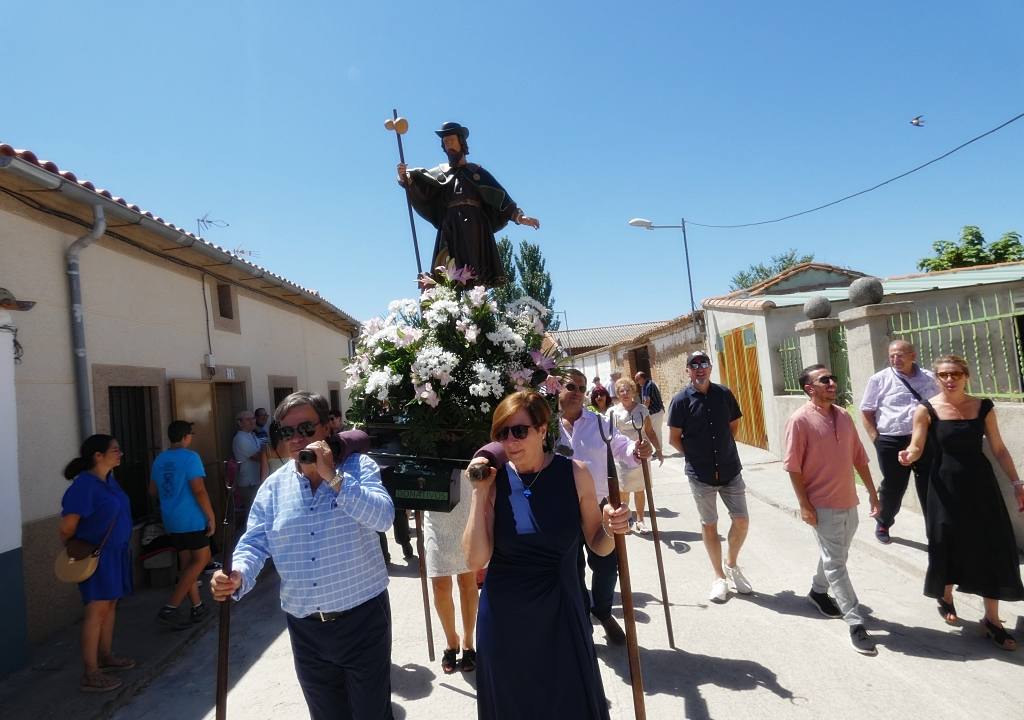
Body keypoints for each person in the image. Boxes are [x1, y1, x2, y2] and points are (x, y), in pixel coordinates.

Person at [211, 392, 396, 719]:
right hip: (306, 629)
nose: (297, 439)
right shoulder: (273, 487)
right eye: (287, 432)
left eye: (306, 428)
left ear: (326, 428)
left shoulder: (358, 467)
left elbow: (382, 518)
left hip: (362, 620)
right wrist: (238, 573)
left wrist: (333, 477)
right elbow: (254, 542)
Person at [464, 391, 630, 719]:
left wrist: (612, 527)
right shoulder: (493, 482)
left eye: (519, 431)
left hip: (561, 612)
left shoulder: (575, 473)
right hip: (505, 617)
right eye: (502, 433)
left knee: (567, 703)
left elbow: (598, 543)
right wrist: (479, 493)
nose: (510, 440)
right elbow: (474, 560)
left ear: (542, 430)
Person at [898, 355, 1024, 649]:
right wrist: (909, 455)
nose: (949, 379)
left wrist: (1017, 483)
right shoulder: (926, 410)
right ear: (937, 379)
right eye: (943, 374)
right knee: (946, 542)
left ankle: (992, 620)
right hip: (944, 487)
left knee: (991, 545)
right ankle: (946, 595)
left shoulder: (983, 407)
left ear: (966, 376)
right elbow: (916, 445)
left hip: (981, 486)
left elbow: (999, 448)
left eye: (955, 373)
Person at [784, 364, 881, 656]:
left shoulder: (843, 416)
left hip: (848, 500)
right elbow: (792, 466)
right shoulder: (799, 420)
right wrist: (804, 505)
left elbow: (859, 458)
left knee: (836, 556)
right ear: (809, 388)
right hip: (821, 504)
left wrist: (873, 495)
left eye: (832, 378)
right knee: (837, 563)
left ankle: (817, 590)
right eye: (824, 379)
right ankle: (855, 622)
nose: (831, 383)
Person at [557, 369, 652, 645]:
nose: (577, 392)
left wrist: (638, 451)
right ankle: (581, 620)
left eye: (582, 387)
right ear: (557, 389)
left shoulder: (599, 423)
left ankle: (603, 611)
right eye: (571, 386)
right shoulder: (545, 427)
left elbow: (623, 448)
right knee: (571, 570)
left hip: (600, 509)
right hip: (561, 510)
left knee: (608, 567)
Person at [397, 121, 540, 287]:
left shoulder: (477, 172)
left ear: (461, 142)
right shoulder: (440, 173)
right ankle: (447, 308)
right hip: (450, 228)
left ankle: (476, 306)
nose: (448, 144)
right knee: (448, 270)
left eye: (451, 140)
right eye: (445, 142)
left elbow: (500, 197)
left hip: (475, 229)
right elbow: (421, 185)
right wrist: (405, 178)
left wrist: (520, 217)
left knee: (476, 272)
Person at [667, 350, 752, 602]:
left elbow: (733, 426)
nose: (699, 368)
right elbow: (673, 439)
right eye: (694, 365)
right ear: (688, 371)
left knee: (742, 521)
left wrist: (722, 450)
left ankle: (731, 564)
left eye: (703, 363)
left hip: (730, 469)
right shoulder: (680, 400)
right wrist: (696, 456)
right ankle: (719, 577)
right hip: (700, 474)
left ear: (710, 367)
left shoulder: (723, 394)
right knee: (710, 524)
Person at [59, 435, 135, 693]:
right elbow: (67, 527)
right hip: (98, 556)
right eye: (115, 450)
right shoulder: (85, 487)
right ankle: (90, 672)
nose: (120, 453)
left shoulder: (109, 481)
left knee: (110, 605)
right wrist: (80, 548)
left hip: (117, 553)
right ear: (98, 456)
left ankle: (105, 656)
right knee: (96, 609)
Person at [860, 340, 939, 544]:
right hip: (891, 440)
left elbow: (941, 405)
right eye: (892, 355)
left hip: (925, 439)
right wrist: (876, 440)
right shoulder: (879, 379)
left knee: (930, 484)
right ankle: (884, 522)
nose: (895, 359)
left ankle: (935, 531)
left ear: (913, 355)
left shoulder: (930, 378)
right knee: (893, 486)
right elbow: (867, 411)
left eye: (900, 354)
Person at [149, 420, 216, 628]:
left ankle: (197, 606)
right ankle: (171, 607)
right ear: (186, 436)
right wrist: (211, 516)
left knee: (187, 565)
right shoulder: (191, 457)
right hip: (192, 518)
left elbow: (152, 491)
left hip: (171, 518)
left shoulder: (160, 459)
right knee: (202, 560)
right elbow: (199, 490)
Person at [424, 470, 478, 674]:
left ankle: (468, 642)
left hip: (466, 500)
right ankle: (451, 640)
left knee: (467, 581)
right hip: (435, 504)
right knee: (439, 586)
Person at [607, 377, 664, 535]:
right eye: (621, 391)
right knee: (623, 490)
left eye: (628, 390)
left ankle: (640, 520)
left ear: (633, 391)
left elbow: (650, 432)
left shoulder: (642, 410)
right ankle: (625, 521)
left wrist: (658, 450)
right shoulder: (612, 412)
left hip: (641, 454)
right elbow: (608, 436)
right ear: (617, 394)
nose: (625, 393)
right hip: (621, 456)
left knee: (640, 489)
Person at [232, 410, 262, 517]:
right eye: (248, 419)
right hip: (248, 483)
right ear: (240, 423)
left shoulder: (252, 435)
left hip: (256, 480)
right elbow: (257, 457)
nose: (252, 421)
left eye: (253, 418)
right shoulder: (240, 438)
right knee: (253, 514)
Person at [635, 371, 666, 448]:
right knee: (652, 431)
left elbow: (647, 401)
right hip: (654, 412)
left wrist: (642, 412)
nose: (637, 382)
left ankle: (659, 450)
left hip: (656, 412)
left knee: (656, 431)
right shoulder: (646, 385)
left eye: (637, 380)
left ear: (642, 378)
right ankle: (657, 449)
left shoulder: (648, 385)